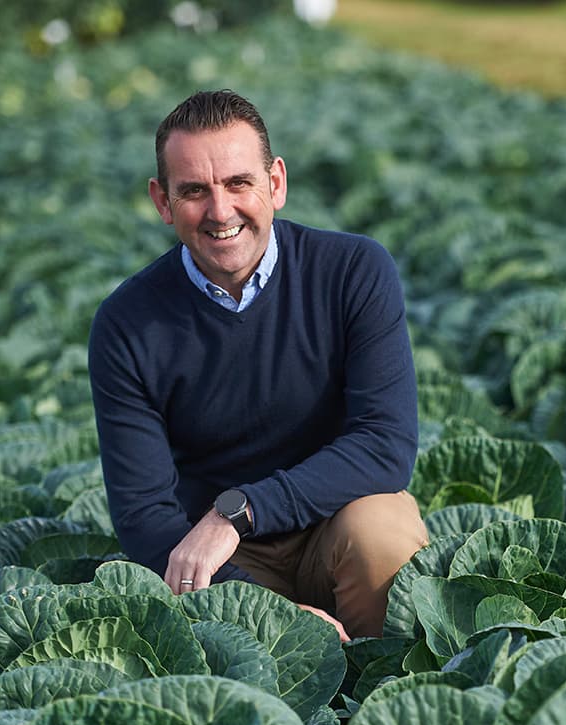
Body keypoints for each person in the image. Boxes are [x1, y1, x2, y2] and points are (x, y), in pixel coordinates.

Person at [88, 89, 428, 639]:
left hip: (331, 520)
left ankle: (386, 688)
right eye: (194, 191)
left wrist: (240, 510)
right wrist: (267, 615)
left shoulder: (353, 271)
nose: (220, 211)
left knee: (383, 531)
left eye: (238, 183)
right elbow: (145, 517)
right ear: (162, 201)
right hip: (221, 560)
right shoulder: (127, 324)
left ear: (276, 183)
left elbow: (384, 446)